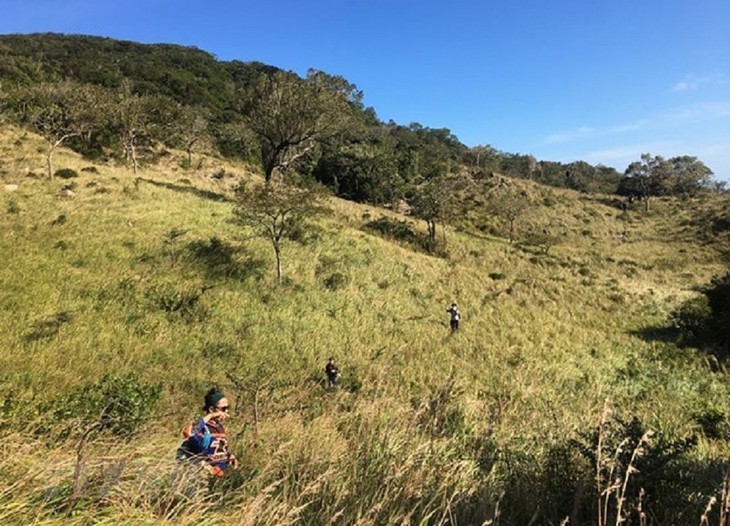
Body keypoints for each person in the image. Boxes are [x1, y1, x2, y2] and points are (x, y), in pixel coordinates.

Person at [177, 387, 238, 477]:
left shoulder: (219, 428)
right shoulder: (204, 427)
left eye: (227, 408)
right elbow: (188, 432)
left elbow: (216, 452)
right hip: (198, 475)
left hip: (217, 476)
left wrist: (229, 457)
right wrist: (210, 416)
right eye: (223, 409)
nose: (226, 412)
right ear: (211, 409)